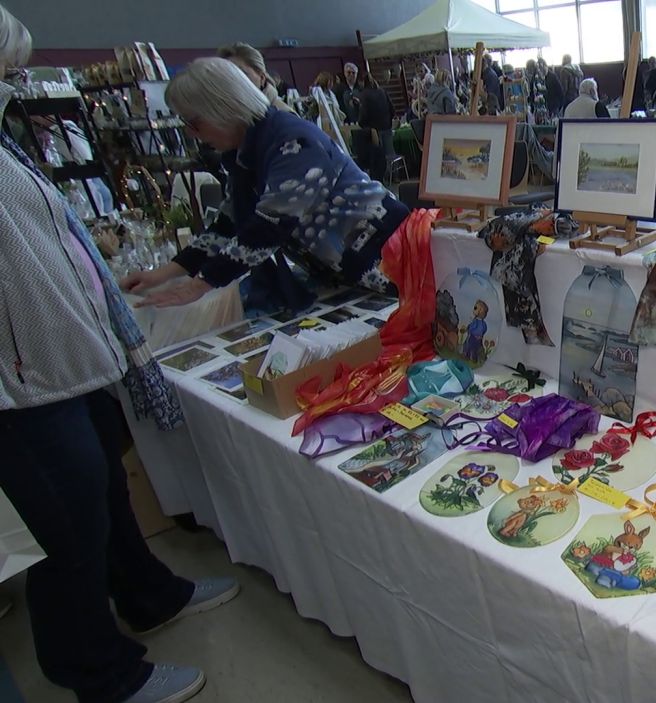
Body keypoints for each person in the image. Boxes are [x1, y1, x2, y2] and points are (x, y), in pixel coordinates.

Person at [0, 8, 240, 703]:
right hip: (23, 383)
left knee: (102, 489)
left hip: (63, 361)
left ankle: (148, 594)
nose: (15, 82)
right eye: (9, 70)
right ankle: (101, 674)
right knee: (66, 528)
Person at [121, 58, 411, 308]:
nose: (191, 134)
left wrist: (201, 284)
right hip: (353, 269)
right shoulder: (245, 153)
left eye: (193, 123)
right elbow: (230, 223)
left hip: (395, 258)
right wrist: (165, 274)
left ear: (221, 109)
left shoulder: (293, 142)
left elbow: (269, 227)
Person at [217, 42, 294, 112]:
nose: (234, 81)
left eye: (242, 74)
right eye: (228, 75)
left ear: (262, 78)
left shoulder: (283, 116)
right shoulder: (229, 112)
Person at [355, 73, 395, 181]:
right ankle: (394, 176)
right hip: (387, 126)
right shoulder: (382, 91)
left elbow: (364, 114)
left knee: (379, 157)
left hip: (374, 130)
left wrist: (362, 124)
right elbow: (392, 108)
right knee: (390, 154)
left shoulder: (364, 95)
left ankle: (383, 179)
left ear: (362, 82)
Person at [308, 71, 349, 153]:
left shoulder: (331, 93)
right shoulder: (316, 91)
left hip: (334, 120)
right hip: (323, 121)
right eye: (329, 81)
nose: (331, 84)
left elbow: (336, 106)